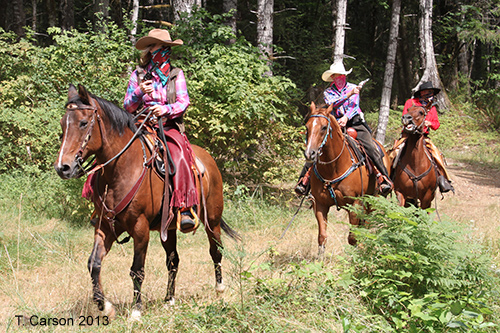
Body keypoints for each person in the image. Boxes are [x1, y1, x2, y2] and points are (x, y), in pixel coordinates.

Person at [123, 28, 199, 231]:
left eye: (158, 46)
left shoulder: (176, 74)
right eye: (153, 46)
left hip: (167, 125)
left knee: (180, 154)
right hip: (140, 124)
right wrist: (139, 92)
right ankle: (101, 205)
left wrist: (164, 109)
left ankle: (184, 207)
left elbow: (184, 102)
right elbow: (127, 106)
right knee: (113, 146)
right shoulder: (138, 74)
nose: (155, 50)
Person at [295, 61, 393, 196]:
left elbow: (354, 105)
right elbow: (331, 104)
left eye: (341, 75)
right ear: (333, 78)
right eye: (336, 76)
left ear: (345, 76)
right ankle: (304, 181)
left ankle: (383, 178)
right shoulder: (328, 92)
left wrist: (346, 117)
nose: (339, 78)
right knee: (318, 147)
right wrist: (348, 95)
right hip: (334, 124)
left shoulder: (353, 87)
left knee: (369, 146)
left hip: (354, 122)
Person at [391, 81, 454, 193]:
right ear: (422, 92)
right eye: (428, 92)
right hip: (408, 136)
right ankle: (387, 179)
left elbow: (436, 124)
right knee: (393, 153)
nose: (430, 94)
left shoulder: (432, 108)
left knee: (437, 155)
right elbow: (404, 118)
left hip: (423, 137)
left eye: (432, 92)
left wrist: (429, 123)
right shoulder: (410, 103)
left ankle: (444, 180)